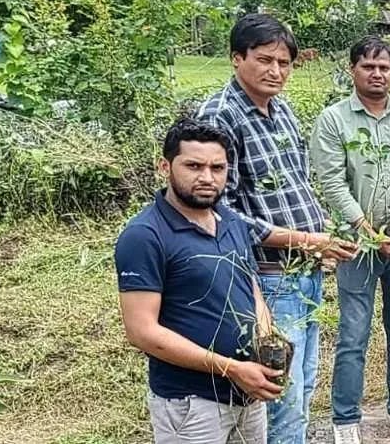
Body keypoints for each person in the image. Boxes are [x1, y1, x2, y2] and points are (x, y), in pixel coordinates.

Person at [197, 14, 357, 444]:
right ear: (237, 58)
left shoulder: (282, 109)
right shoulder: (220, 116)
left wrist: (322, 233)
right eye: (265, 60)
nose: (276, 71)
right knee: (279, 393)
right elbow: (221, 212)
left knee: (302, 382)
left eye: (284, 63)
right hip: (266, 278)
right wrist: (305, 239)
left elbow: (296, 185)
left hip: (304, 270)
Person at [115, 119, 282, 444]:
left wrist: (265, 341)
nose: (207, 177)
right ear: (165, 167)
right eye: (194, 166)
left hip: (247, 394)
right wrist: (231, 368)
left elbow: (251, 291)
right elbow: (142, 332)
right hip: (191, 403)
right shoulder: (144, 236)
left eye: (217, 168)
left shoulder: (232, 222)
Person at [310, 37, 390, 444]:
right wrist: (367, 229)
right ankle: (345, 419)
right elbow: (332, 182)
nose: (377, 74)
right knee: (354, 332)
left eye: (384, 67)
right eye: (368, 66)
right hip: (358, 246)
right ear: (352, 70)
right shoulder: (334, 120)